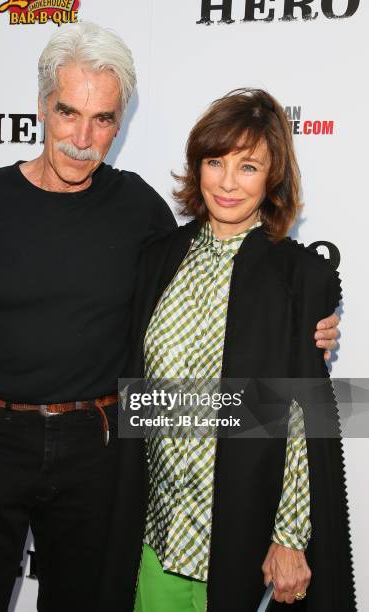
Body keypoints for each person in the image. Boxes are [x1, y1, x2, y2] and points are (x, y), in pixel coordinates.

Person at [0, 23, 339, 612]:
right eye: (68, 112)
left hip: (98, 449)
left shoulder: (139, 210)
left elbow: (225, 293)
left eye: (104, 119)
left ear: (121, 121)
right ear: (41, 106)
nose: (83, 138)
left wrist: (307, 330)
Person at [109, 89, 354, 612]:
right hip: (155, 533)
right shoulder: (157, 260)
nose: (226, 181)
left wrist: (290, 534)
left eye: (248, 166)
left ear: (272, 178)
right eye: (214, 161)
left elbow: (297, 415)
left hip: (240, 540)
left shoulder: (299, 277)